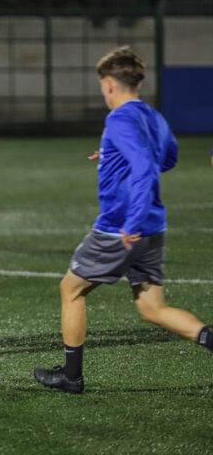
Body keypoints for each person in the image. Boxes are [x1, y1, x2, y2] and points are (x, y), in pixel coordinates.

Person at [34, 46, 213, 394]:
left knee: (71, 290)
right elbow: (168, 157)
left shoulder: (118, 118)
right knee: (153, 308)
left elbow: (146, 166)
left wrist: (130, 221)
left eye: (103, 85)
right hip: (154, 227)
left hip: (120, 227)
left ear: (111, 84)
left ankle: (71, 377)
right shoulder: (154, 116)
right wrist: (116, 155)